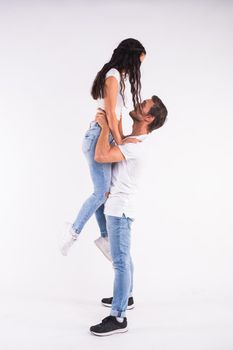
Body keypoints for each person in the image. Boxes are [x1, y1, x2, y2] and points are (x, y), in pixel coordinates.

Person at [89, 95, 168, 336]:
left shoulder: (135, 146)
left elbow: (101, 156)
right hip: (115, 206)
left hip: (119, 209)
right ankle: (128, 295)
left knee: (120, 260)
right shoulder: (132, 140)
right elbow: (119, 139)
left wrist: (104, 127)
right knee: (122, 255)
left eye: (143, 105)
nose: (137, 104)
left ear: (149, 117)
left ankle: (118, 316)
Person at [60, 38, 146, 256]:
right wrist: (120, 141)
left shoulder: (119, 78)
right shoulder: (113, 76)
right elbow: (108, 114)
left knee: (104, 192)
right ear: (131, 56)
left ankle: (105, 237)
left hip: (104, 136)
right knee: (101, 193)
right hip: (98, 136)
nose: (139, 67)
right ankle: (72, 231)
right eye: (139, 61)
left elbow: (116, 119)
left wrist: (122, 140)